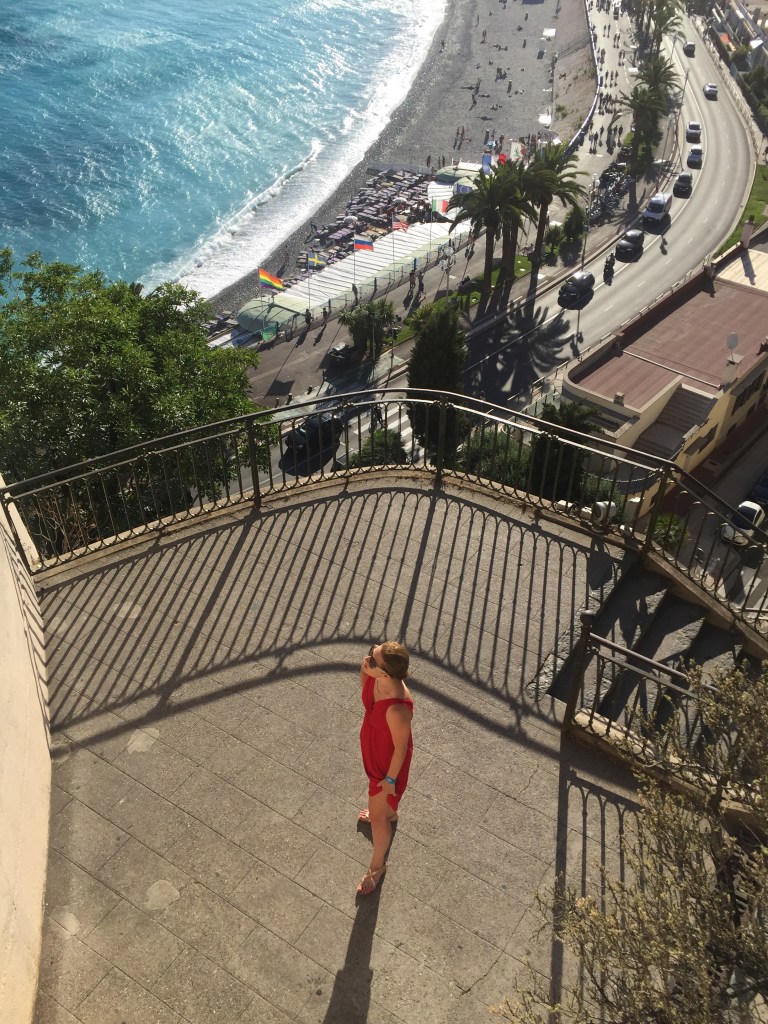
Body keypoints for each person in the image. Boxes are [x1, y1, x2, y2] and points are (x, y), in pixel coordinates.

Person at [357, 641, 413, 895]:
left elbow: (400, 750)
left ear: (386, 674)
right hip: (375, 747)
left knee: (377, 817)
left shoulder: (397, 709)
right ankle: (389, 812)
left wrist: (389, 781)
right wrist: (367, 670)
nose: (368, 657)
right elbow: (366, 697)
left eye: (373, 657)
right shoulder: (372, 674)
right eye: (373, 649)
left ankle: (377, 866)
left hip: (386, 765)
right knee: (381, 810)